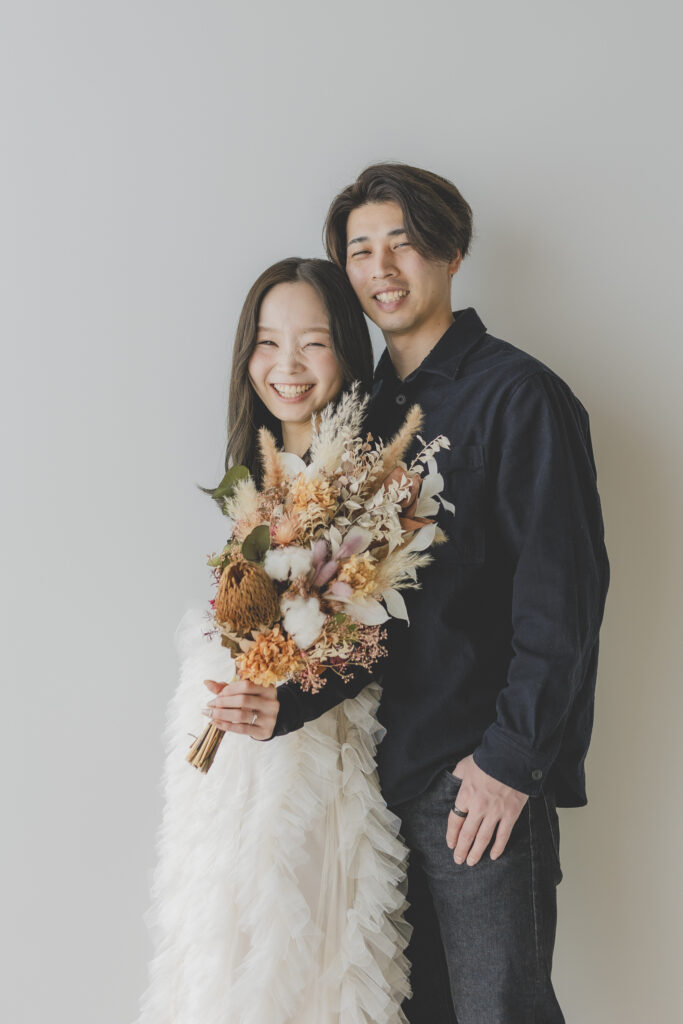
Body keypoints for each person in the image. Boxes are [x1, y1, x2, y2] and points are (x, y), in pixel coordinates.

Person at [259, 165, 610, 1023]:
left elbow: (562, 598)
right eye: (359, 251)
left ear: (451, 253)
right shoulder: (363, 412)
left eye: (403, 244)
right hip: (375, 791)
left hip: (473, 784)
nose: (380, 268)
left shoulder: (518, 396)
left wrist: (506, 766)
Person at [137, 257, 411, 1024]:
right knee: (225, 964)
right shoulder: (256, 477)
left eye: (313, 343)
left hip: (308, 766)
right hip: (234, 773)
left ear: (347, 353)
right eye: (267, 342)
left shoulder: (368, 480)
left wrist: (285, 694)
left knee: (298, 964)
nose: (286, 365)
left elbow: (381, 631)